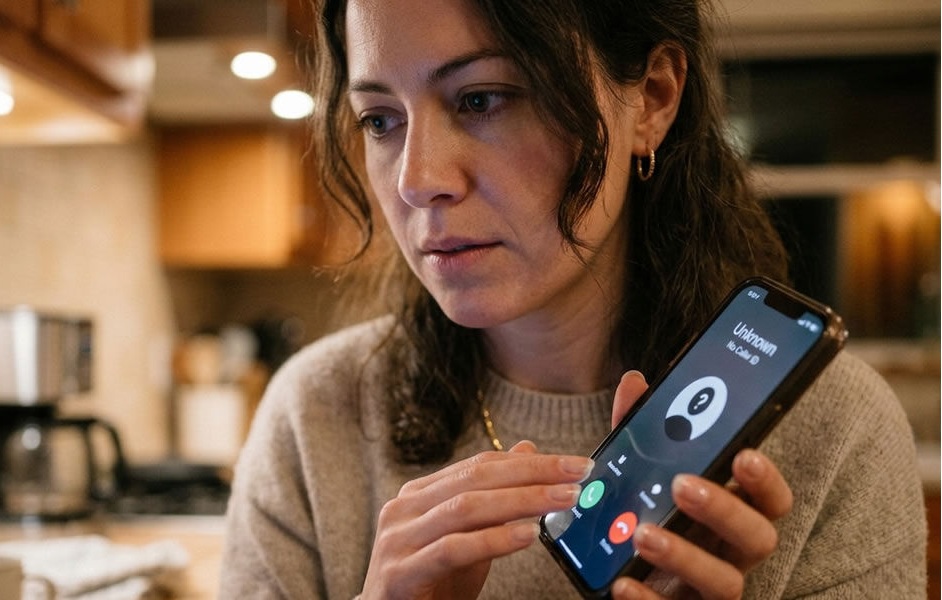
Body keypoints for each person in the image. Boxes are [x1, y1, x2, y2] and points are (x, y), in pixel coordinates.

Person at [219, 0, 927, 598]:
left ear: (650, 97)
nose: (417, 178)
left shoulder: (834, 431)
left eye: (481, 99)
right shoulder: (312, 419)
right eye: (378, 119)